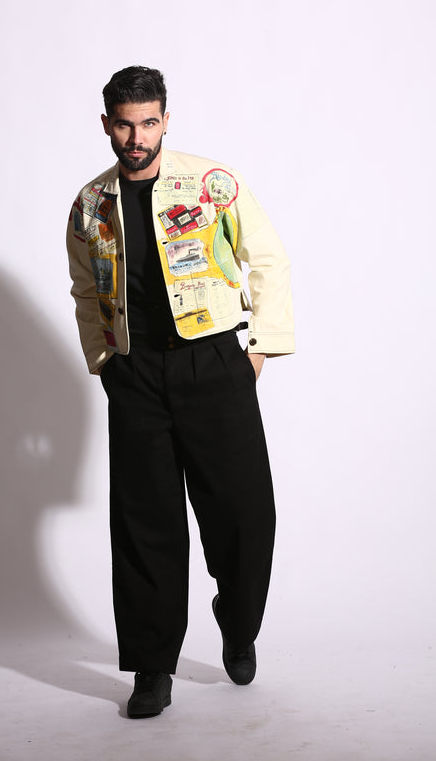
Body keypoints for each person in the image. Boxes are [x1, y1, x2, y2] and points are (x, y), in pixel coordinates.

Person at [66, 65, 294, 719]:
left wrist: (257, 352)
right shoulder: (89, 204)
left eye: (148, 123)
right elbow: (85, 289)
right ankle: (151, 666)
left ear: (165, 120)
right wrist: (104, 363)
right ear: (106, 125)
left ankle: (238, 620)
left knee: (246, 516)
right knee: (145, 525)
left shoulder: (211, 183)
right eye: (124, 125)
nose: (136, 137)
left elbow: (267, 258)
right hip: (135, 374)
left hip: (214, 363)